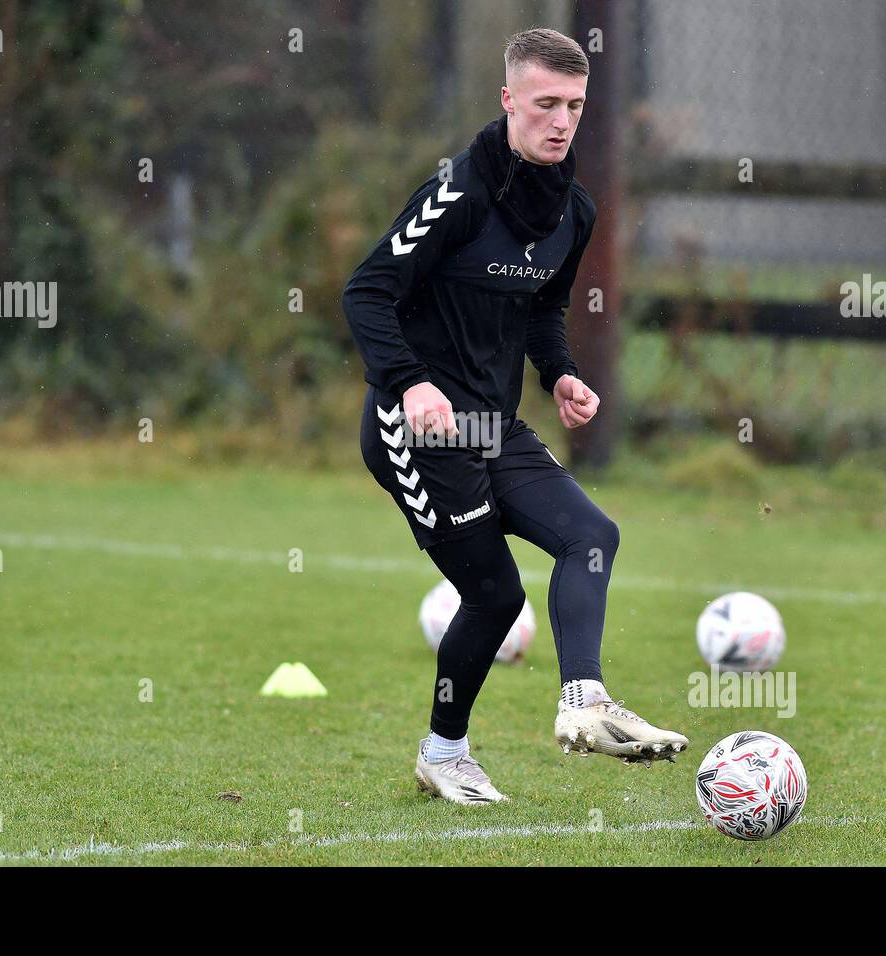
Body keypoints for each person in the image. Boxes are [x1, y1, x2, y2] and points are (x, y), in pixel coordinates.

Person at [342, 28, 687, 805]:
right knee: (495, 595)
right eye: (544, 105)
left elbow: (543, 309)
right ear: (507, 102)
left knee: (592, 536)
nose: (560, 121)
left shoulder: (575, 211)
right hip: (418, 429)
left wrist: (560, 371)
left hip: (493, 426)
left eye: (573, 106)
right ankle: (444, 752)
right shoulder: (458, 193)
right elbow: (365, 291)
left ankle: (585, 702)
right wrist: (409, 385)